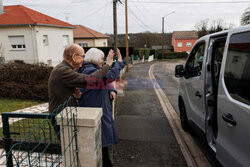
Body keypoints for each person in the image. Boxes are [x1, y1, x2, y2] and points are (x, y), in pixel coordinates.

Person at [77, 48, 125, 167]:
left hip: (99, 111)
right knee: (101, 148)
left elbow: (104, 81)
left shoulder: (93, 69)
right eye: (102, 59)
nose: (103, 61)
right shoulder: (88, 70)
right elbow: (107, 78)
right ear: (95, 58)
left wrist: (111, 89)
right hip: (94, 112)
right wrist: (117, 62)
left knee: (103, 148)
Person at [48, 43, 114, 113]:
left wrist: (75, 97)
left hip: (65, 115)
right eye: (82, 56)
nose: (84, 59)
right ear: (74, 57)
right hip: (61, 117)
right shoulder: (63, 71)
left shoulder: (64, 69)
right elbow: (90, 80)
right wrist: (107, 65)